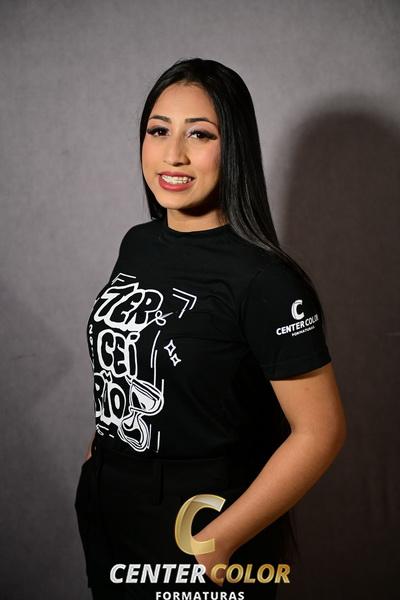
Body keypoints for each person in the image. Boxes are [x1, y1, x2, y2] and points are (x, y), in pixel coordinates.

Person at [74, 57, 347, 600]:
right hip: (110, 501)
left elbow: (322, 431)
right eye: (159, 131)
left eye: (199, 134)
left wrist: (216, 543)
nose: (173, 154)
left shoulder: (266, 280)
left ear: (234, 146)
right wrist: (98, 457)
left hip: (200, 519)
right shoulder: (139, 243)